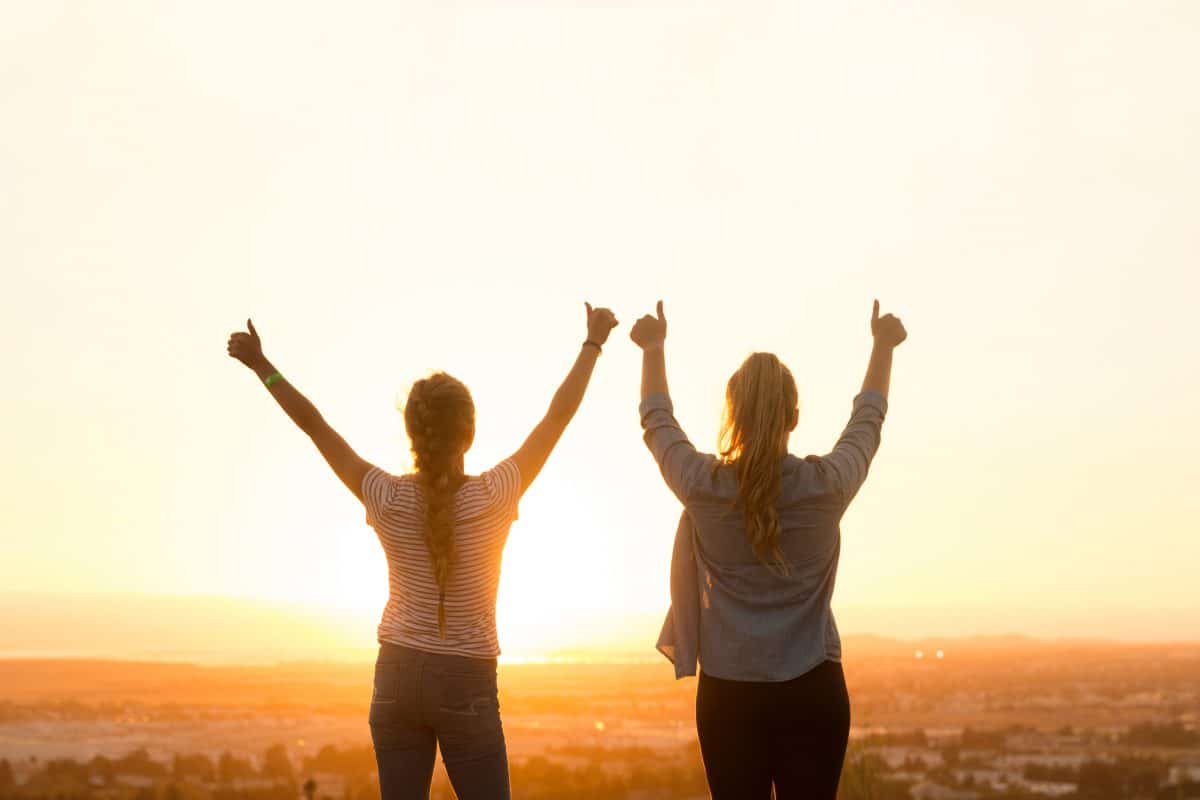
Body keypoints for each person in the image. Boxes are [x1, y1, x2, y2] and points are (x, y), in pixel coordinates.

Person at [226, 303, 619, 800]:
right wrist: (593, 343)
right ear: (469, 433)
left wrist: (263, 365)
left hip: (396, 676)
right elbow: (557, 416)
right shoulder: (496, 495)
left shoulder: (385, 496)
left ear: (411, 433)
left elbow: (316, 427)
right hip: (467, 681)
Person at [630, 299, 906, 800]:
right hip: (813, 692)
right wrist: (883, 346)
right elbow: (869, 421)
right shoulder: (826, 487)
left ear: (731, 414)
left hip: (728, 698)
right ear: (795, 417)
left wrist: (652, 348)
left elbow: (657, 422)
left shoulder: (703, 486)